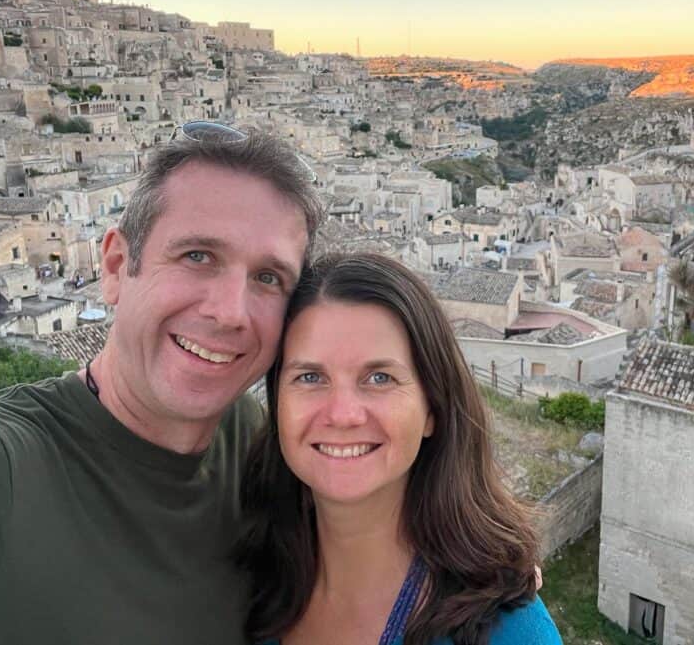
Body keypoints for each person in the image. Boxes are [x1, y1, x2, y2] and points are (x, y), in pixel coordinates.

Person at [0, 124, 324, 644]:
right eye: (197, 256)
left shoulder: (256, 447)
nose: (230, 313)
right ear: (115, 266)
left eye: (268, 278)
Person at [236, 252, 562, 645]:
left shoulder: (508, 633)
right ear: (277, 406)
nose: (343, 414)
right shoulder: (244, 581)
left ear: (432, 409)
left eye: (379, 377)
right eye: (309, 376)